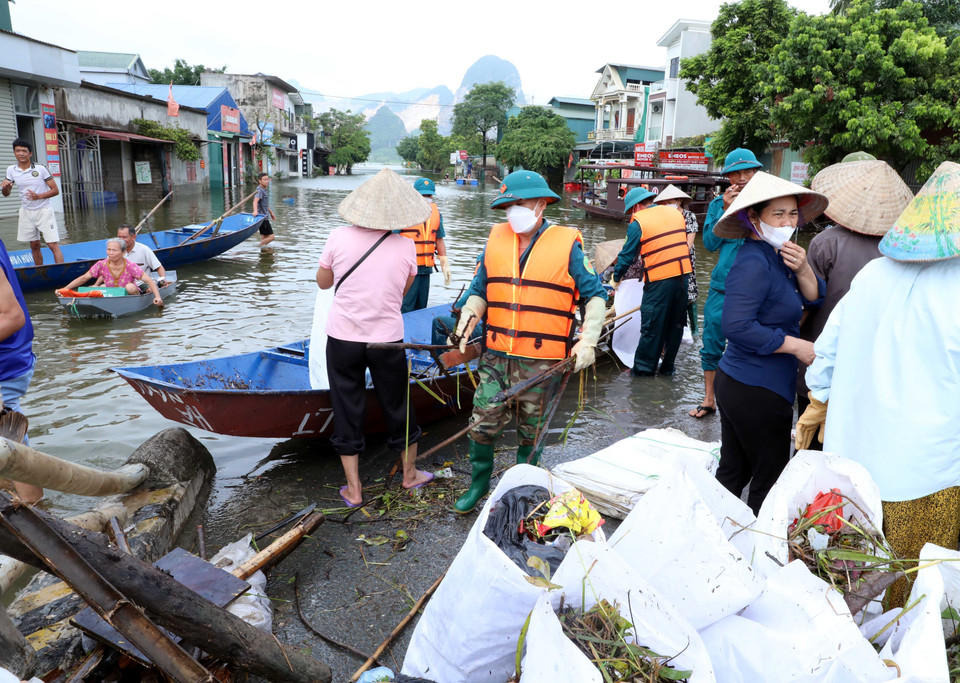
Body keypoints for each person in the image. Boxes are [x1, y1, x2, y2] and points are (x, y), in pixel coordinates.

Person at [799, 160, 960, 607]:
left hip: (855, 466)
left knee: (852, 575)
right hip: (929, 472)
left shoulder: (872, 275)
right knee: (917, 593)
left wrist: (819, 402)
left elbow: (824, 360)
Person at [451, 170, 607, 513]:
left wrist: (588, 341)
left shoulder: (568, 244)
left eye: (520, 203)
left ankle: (523, 491)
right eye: (509, 205)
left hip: (542, 361)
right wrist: (469, 314)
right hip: (496, 357)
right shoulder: (496, 240)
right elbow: (481, 288)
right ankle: (478, 483)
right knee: (482, 421)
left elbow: (595, 297)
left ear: (541, 204)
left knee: (532, 431)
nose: (513, 212)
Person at [315, 168, 435, 508]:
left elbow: (324, 282)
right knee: (399, 406)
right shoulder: (406, 246)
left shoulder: (337, 237)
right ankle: (409, 476)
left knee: (346, 406)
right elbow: (402, 292)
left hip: (343, 339)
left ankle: (354, 490)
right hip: (387, 340)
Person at [711, 171, 827, 515]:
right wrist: (795, 346)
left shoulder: (782, 254)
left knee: (735, 470)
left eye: (793, 214)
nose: (787, 221)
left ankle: (715, 536)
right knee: (770, 477)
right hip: (754, 387)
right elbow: (735, 326)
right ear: (753, 217)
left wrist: (805, 268)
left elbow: (815, 297)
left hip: (746, 383)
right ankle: (760, 555)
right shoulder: (752, 260)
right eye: (778, 214)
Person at [795, 156, 913, 437]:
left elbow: (806, 307)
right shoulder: (902, 250)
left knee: (810, 442)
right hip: (874, 365)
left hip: (820, 361)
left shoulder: (825, 244)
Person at [689, 148, 763, 418]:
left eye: (748, 171)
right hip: (723, 285)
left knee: (754, 343)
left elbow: (773, 241)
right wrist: (727, 211)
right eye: (736, 173)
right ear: (728, 176)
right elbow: (709, 244)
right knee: (711, 343)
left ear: (756, 174)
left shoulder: (767, 203)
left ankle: (747, 399)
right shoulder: (717, 205)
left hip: (756, 287)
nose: (742, 177)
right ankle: (710, 398)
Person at [611, 186, 692, 377]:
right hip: (683, 277)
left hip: (660, 281)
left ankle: (642, 373)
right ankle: (667, 369)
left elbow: (626, 255)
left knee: (652, 326)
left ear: (637, 206)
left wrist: (616, 278)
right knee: (675, 325)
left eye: (631, 210)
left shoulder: (639, 221)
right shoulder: (675, 214)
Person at [0, 238, 42, 503]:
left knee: (12, 444)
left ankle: (42, 523)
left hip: (5, 365)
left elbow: (13, 316)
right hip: (14, 358)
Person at [1, 138, 64, 266]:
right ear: (14, 153)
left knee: (52, 244)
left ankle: (62, 274)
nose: (21, 153)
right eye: (17, 151)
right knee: (34, 245)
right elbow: (6, 194)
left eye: (24, 151)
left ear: (30, 153)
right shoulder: (11, 170)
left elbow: (55, 190)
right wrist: (6, 188)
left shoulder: (40, 169)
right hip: (26, 212)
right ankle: (40, 271)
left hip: (44, 210)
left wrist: (38, 196)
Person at [398, 177, 450, 313]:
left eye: (428, 195)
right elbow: (392, 237)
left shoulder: (436, 213)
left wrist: (445, 263)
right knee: (406, 306)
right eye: (422, 195)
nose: (426, 198)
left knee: (421, 307)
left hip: (425, 269)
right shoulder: (403, 212)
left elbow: (439, 239)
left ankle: (416, 333)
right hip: (407, 268)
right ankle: (402, 332)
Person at [653, 184, 700, 334]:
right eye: (665, 202)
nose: (667, 205)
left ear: (679, 201)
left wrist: (677, 255)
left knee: (689, 291)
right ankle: (674, 325)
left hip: (684, 257)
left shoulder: (689, 216)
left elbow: (689, 242)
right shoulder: (663, 217)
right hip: (668, 258)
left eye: (670, 201)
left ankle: (694, 329)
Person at [60, 238, 163, 307]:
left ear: (123, 253)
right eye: (109, 250)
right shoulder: (101, 264)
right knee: (95, 288)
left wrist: (158, 297)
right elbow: (84, 278)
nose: (111, 253)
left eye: (114, 250)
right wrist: (65, 289)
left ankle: (133, 305)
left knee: (130, 287)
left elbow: (149, 280)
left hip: (128, 295)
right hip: (110, 294)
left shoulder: (130, 265)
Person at [251, 173, 276, 247]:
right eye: (265, 180)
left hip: (264, 216)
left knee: (264, 237)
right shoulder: (259, 190)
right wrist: (255, 211)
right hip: (262, 218)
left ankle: (264, 252)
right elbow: (255, 201)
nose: (267, 181)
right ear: (260, 181)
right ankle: (258, 246)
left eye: (267, 179)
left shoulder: (264, 190)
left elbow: (265, 204)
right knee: (271, 237)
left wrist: (271, 213)